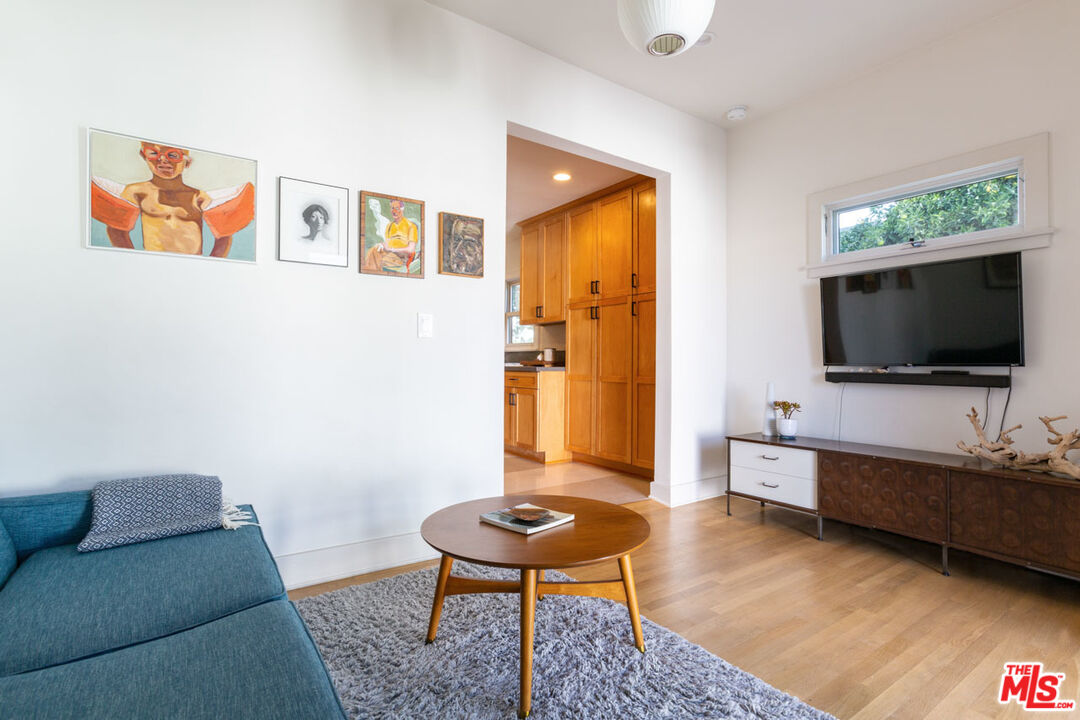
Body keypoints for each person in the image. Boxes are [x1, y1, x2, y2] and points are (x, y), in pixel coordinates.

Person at [93, 141, 252, 258]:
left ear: (187, 162)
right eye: (153, 153)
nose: (162, 160)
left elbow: (224, 234)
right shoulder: (137, 192)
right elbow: (116, 229)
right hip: (152, 263)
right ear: (144, 156)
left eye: (173, 155)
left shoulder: (198, 197)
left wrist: (213, 262)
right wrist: (133, 260)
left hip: (194, 266)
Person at [363, 198, 418, 273]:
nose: (394, 211)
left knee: (377, 259)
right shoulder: (389, 225)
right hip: (389, 254)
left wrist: (392, 250)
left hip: (402, 257)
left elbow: (410, 249)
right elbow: (387, 242)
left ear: (402, 209)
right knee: (373, 250)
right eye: (392, 208)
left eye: (397, 208)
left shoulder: (411, 226)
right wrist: (382, 245)